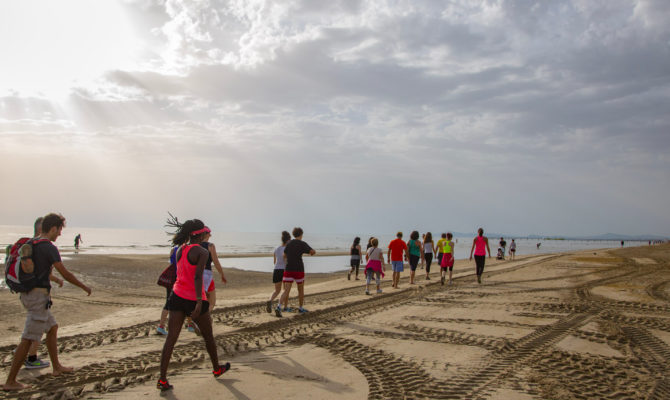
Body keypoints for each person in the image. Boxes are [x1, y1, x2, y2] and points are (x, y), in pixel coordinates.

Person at [4, 213, 91, 391]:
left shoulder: (32, 243)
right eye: (59, 230)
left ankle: (57, 367)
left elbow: (38, 270)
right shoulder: (48, 247)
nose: (59, 234)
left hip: (30, 295)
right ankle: (10, 381)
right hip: (37, 298)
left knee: (52, 327)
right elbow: (65, 273)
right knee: (28, 339)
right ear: (53, 228)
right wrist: (83, 287)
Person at [158, 218, 230, 391]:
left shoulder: (180, 250)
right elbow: (198, 277)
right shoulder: (201, 252)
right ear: (200, 233)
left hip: (177, 296)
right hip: (193, 298)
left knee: (171, 339)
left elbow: (180, 273)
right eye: (205, 231)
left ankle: (162, 380)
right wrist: (199, 301)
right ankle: (216, 369)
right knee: (208, 336)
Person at [275, 227, 315, 317]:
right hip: (299, 269)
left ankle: (278, 306)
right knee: (300, 289)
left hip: (289, 269)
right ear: (301, 235)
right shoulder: (302, 244)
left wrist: (290, 256)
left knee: (286, 290)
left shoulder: (289, 244)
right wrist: (310, 253)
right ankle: (300, 308)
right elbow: (312, 251)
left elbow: (284, 255)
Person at [267, 231, 291, 313]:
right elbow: (287, 260)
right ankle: (284, 307)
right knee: (286, 290)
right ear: (288, 240)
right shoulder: (287, 249)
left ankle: (270, 300)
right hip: (284, 270)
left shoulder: (276, 248)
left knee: (277, 290)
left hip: (276, 269)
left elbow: (274, 261)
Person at [157, 246, 178, 335]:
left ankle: (161, 326)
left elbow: (171, 261)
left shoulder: (174, 249)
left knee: (168, 302)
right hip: (179, 277)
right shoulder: (186, 249)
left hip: (172, 277)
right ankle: (190, 325)